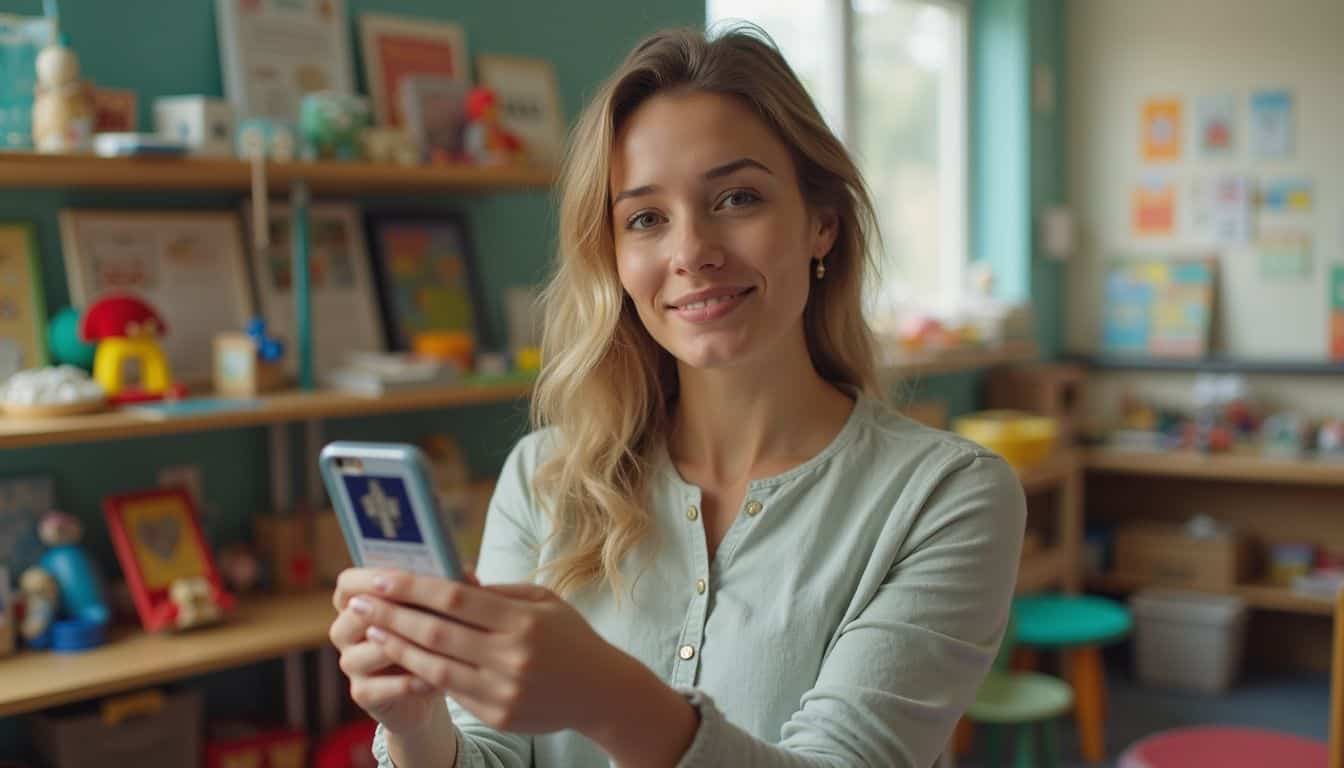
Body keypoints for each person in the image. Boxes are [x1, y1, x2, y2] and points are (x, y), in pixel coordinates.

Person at [330, 24, 1026, 768]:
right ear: (615, 257)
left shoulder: (947, 497)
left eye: (736, 197)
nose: (692, 251)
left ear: (822, 223)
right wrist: (415, 725)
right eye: (646, 218)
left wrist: (606, 694)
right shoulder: (545, 478)